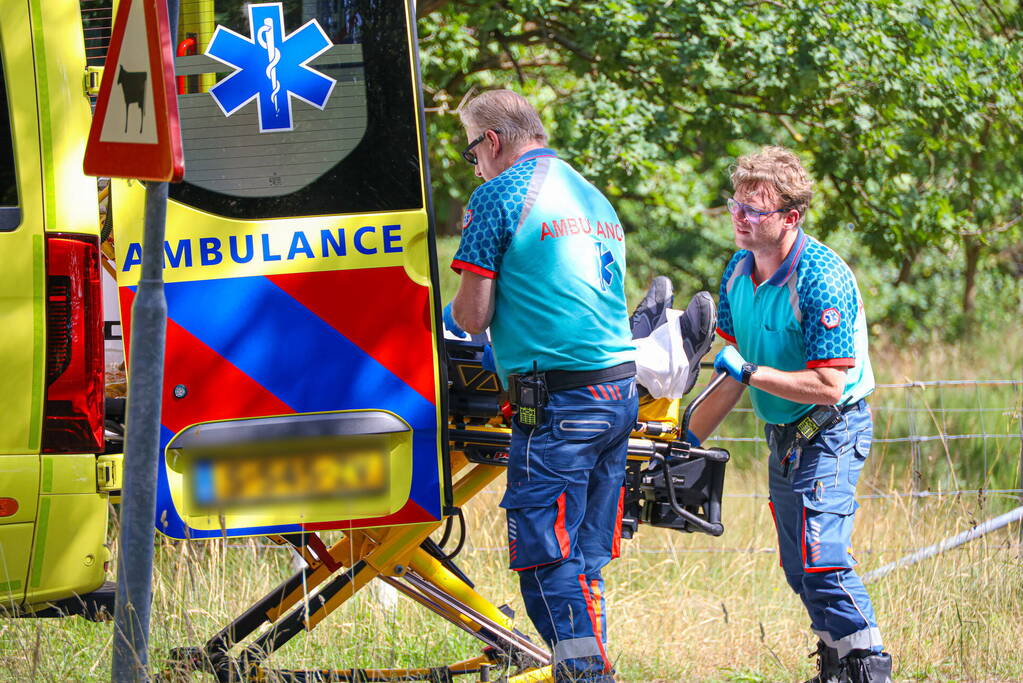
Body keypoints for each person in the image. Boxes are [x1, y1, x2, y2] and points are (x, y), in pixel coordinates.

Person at [443, 89, 637, 682]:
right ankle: (585, 669)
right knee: (582, 557)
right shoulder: (591, 193)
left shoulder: (498, 194)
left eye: (472, 151)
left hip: (558, 403)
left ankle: (587, 677)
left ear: (492, 141)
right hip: (618, 391)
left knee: (543, 555)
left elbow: (472, 318)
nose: (473, 165)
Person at [688, 146, 892, 683]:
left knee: (822, 556)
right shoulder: (738, 270)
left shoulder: (819, 276)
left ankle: (870, 670)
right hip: (783, 434)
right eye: (736, 205)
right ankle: (837, 665)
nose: (739, 216)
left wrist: (750, 372)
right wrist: (681, 438)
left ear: (790, 218)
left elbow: (829, 386)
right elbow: (727, 378)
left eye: (754, 210)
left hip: (833, 428)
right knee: (799, 568)